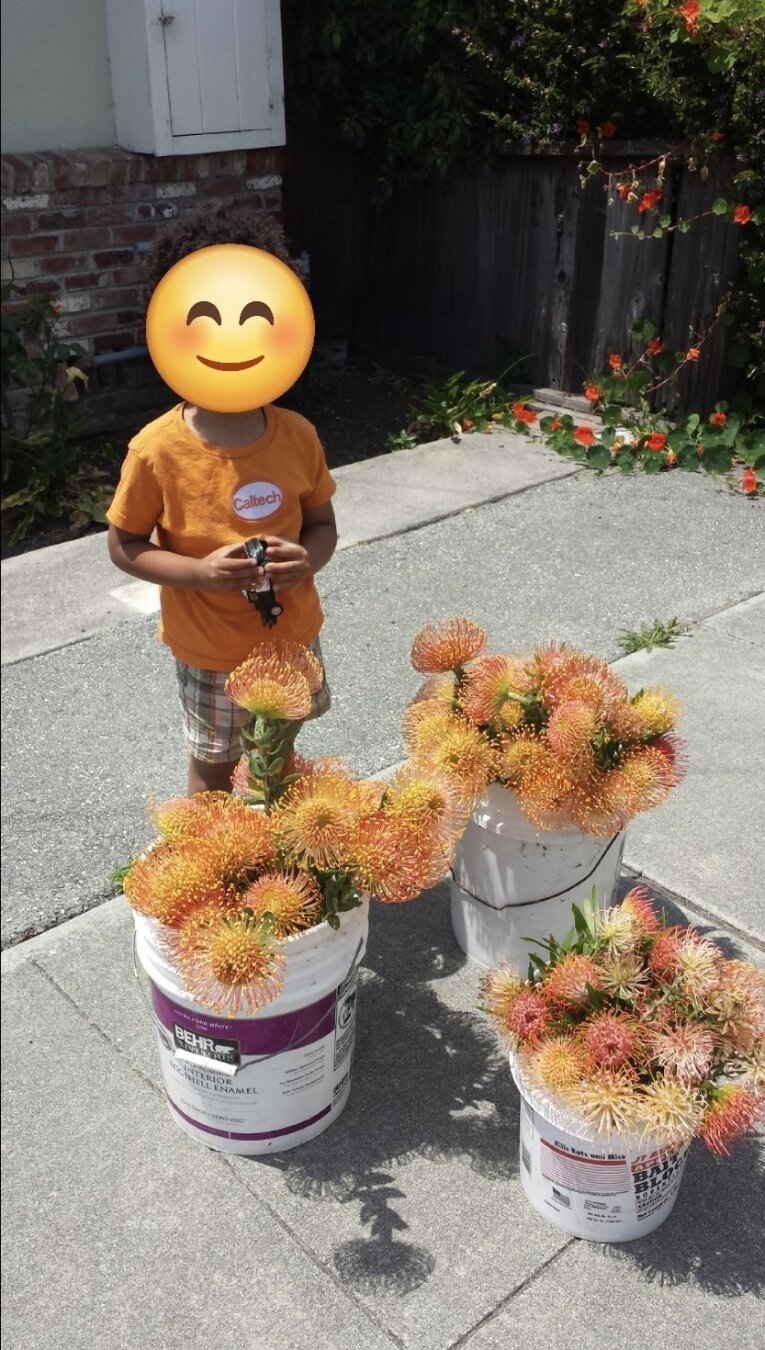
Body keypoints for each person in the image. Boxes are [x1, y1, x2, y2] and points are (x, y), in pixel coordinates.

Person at [106, 205, 337, 795]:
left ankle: (273, 858)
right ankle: (213, 864)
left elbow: (322, 524)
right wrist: (200, 573)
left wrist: (308, 558)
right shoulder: (157, 450)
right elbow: (126, 545)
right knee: (214, 764)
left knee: (279, 749)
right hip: (211, 650)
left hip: (291, 634)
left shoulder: (298, 435)